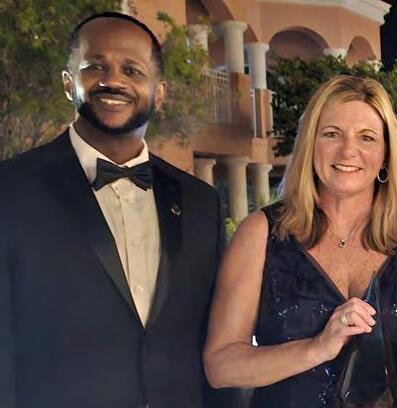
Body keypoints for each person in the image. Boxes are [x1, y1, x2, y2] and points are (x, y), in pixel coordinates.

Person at [0, 12, 231, 407]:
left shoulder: (200, 202)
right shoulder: (12, 189)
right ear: (68, 82)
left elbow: (216, 338)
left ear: (159, 92)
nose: (113, 80)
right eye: (95, 67)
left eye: (132, 70)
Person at [203, 75, 397, 408]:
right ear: (310, 145)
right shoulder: (260, 233)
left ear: (386, 154)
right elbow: (221, 366)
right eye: (332, 134)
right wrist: (316, 348)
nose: (348, 150)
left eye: (367, 137)